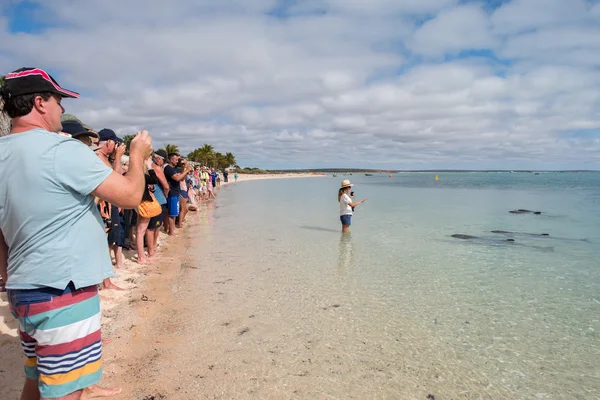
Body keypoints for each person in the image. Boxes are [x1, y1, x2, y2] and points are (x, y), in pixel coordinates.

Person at [0, 67, 153, 400]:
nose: (61, 110)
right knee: (67, 392)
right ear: (40, 102)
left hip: (23, 289)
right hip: (62, 289)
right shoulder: (61, 150)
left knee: (36, 380)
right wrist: (138, 156)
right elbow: (128, 196)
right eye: (58, 101)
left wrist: (10, 276)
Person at [146, 150, 169, 256]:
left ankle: (152, 246)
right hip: (158, 199)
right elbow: (166, 186)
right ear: (158, 159)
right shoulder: (156, 168)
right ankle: (152, 248)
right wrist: (166, 195)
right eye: (163, 161)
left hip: (147, 199)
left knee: (150, 225)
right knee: (153, 226)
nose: (163, 164)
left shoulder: (144, 166)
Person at [163, 152, 192, 235]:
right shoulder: (168, 168)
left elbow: (181, 179)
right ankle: (171, 232)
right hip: (172, 192)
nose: (177, 161)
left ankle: (167, 229)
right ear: (171, 159)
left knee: (169, 212)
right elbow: (177, 178)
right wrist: (186, 171)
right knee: (172, 213)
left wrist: (185, 171)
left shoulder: (174, 168)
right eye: (176, 159)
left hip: (174, 191)